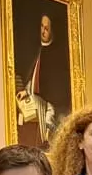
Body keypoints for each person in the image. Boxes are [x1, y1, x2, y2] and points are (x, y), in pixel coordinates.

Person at [15, 14, 71, 148]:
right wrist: (26, 90)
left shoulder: (58, 53)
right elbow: (34, 76)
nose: (43, 31)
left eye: (47, 28)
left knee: (51, 127)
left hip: (53, 103)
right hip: (38, 99)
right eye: (41, 26)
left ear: (52, 30)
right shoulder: (37, 50)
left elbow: (56, 83)